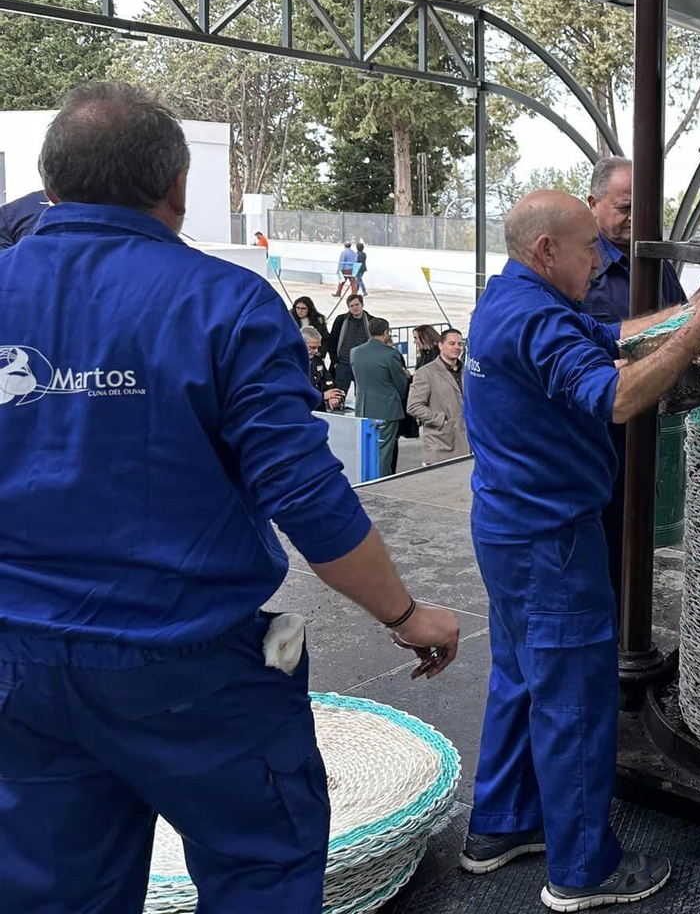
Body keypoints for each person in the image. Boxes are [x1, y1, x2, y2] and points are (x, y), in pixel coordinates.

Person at [0, 82, 460, 911]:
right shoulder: (223, 301)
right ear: (176, 191)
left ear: (48, 182)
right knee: (261, 867)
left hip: (19, 668)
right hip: (192, 667)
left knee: (50, 890)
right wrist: (404, 615)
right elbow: (302, 489)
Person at [459, 189, 700, 903]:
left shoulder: (510, 298)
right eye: (593, 246)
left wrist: (694, 308)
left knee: (521, 679)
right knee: (575, 700)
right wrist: (697, 336)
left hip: (507, 528)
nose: (606, 257)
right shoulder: (534, 317)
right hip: (551, 539)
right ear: (547, 250)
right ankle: (584, 870)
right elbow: (618, 395)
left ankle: (501, 823)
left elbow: (612, 337)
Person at [580, 157, 693, 595]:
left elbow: (682, 328)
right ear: (594, 203)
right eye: (626, 208)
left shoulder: (658, 264)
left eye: (644, 209)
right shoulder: (580, 269)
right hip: (593, 436)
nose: (636, 220)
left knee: (636, 541)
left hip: (649, 433)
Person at [351, 317, 410, 477]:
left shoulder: (355, 352)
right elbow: (400, 383)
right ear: (386, 333)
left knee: (366, 450)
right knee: (384, 452)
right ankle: (382, 484)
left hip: (363, 408)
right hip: (387, 409)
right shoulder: (390, 354)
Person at [408, 328, 468, 465]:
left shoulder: (467, 371)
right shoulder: (425, 373)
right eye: (452, 344)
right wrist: (441, 420)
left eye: (459, 344)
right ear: (441, 345)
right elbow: (414, 406)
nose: (457, 347)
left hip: (468, 443)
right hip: (440, 444)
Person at [328, 293, 372, 394]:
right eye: (351, 306)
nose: (354, 308)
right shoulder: (341, 320)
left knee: (362, 394)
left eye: (357, 305)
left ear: (362, 305)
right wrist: (335, 361)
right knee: (339, 393)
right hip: (343, 363)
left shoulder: (371, 321)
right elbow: (332, 341)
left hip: (363, 364)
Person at [292, 294, 331, 364]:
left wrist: (320, 353)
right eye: (297, 308)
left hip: (313, 356)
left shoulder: (318, 320)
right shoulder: (290, 320)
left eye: (303, 308)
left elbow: (325, 339)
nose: (300, 311)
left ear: (309, 309)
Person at [302, 326, 336, 395]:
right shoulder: (291, 363)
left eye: (318, 347)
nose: (316, 351)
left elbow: (327, 379)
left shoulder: (317, 359)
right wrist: (322, 397)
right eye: (313, 347)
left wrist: (332, 396)